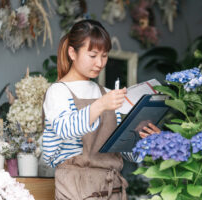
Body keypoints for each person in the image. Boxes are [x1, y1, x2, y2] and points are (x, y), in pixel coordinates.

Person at [42, 19, 160, 200]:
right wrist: (100, 105)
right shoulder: (58, 91)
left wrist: (143, 138)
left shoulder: (106, 93)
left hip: (112, 188)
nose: (100, 63)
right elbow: (64, 129)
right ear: (72, 53)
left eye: (104, 55)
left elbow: (124, 151)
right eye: (93, 55)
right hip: (76, 187)